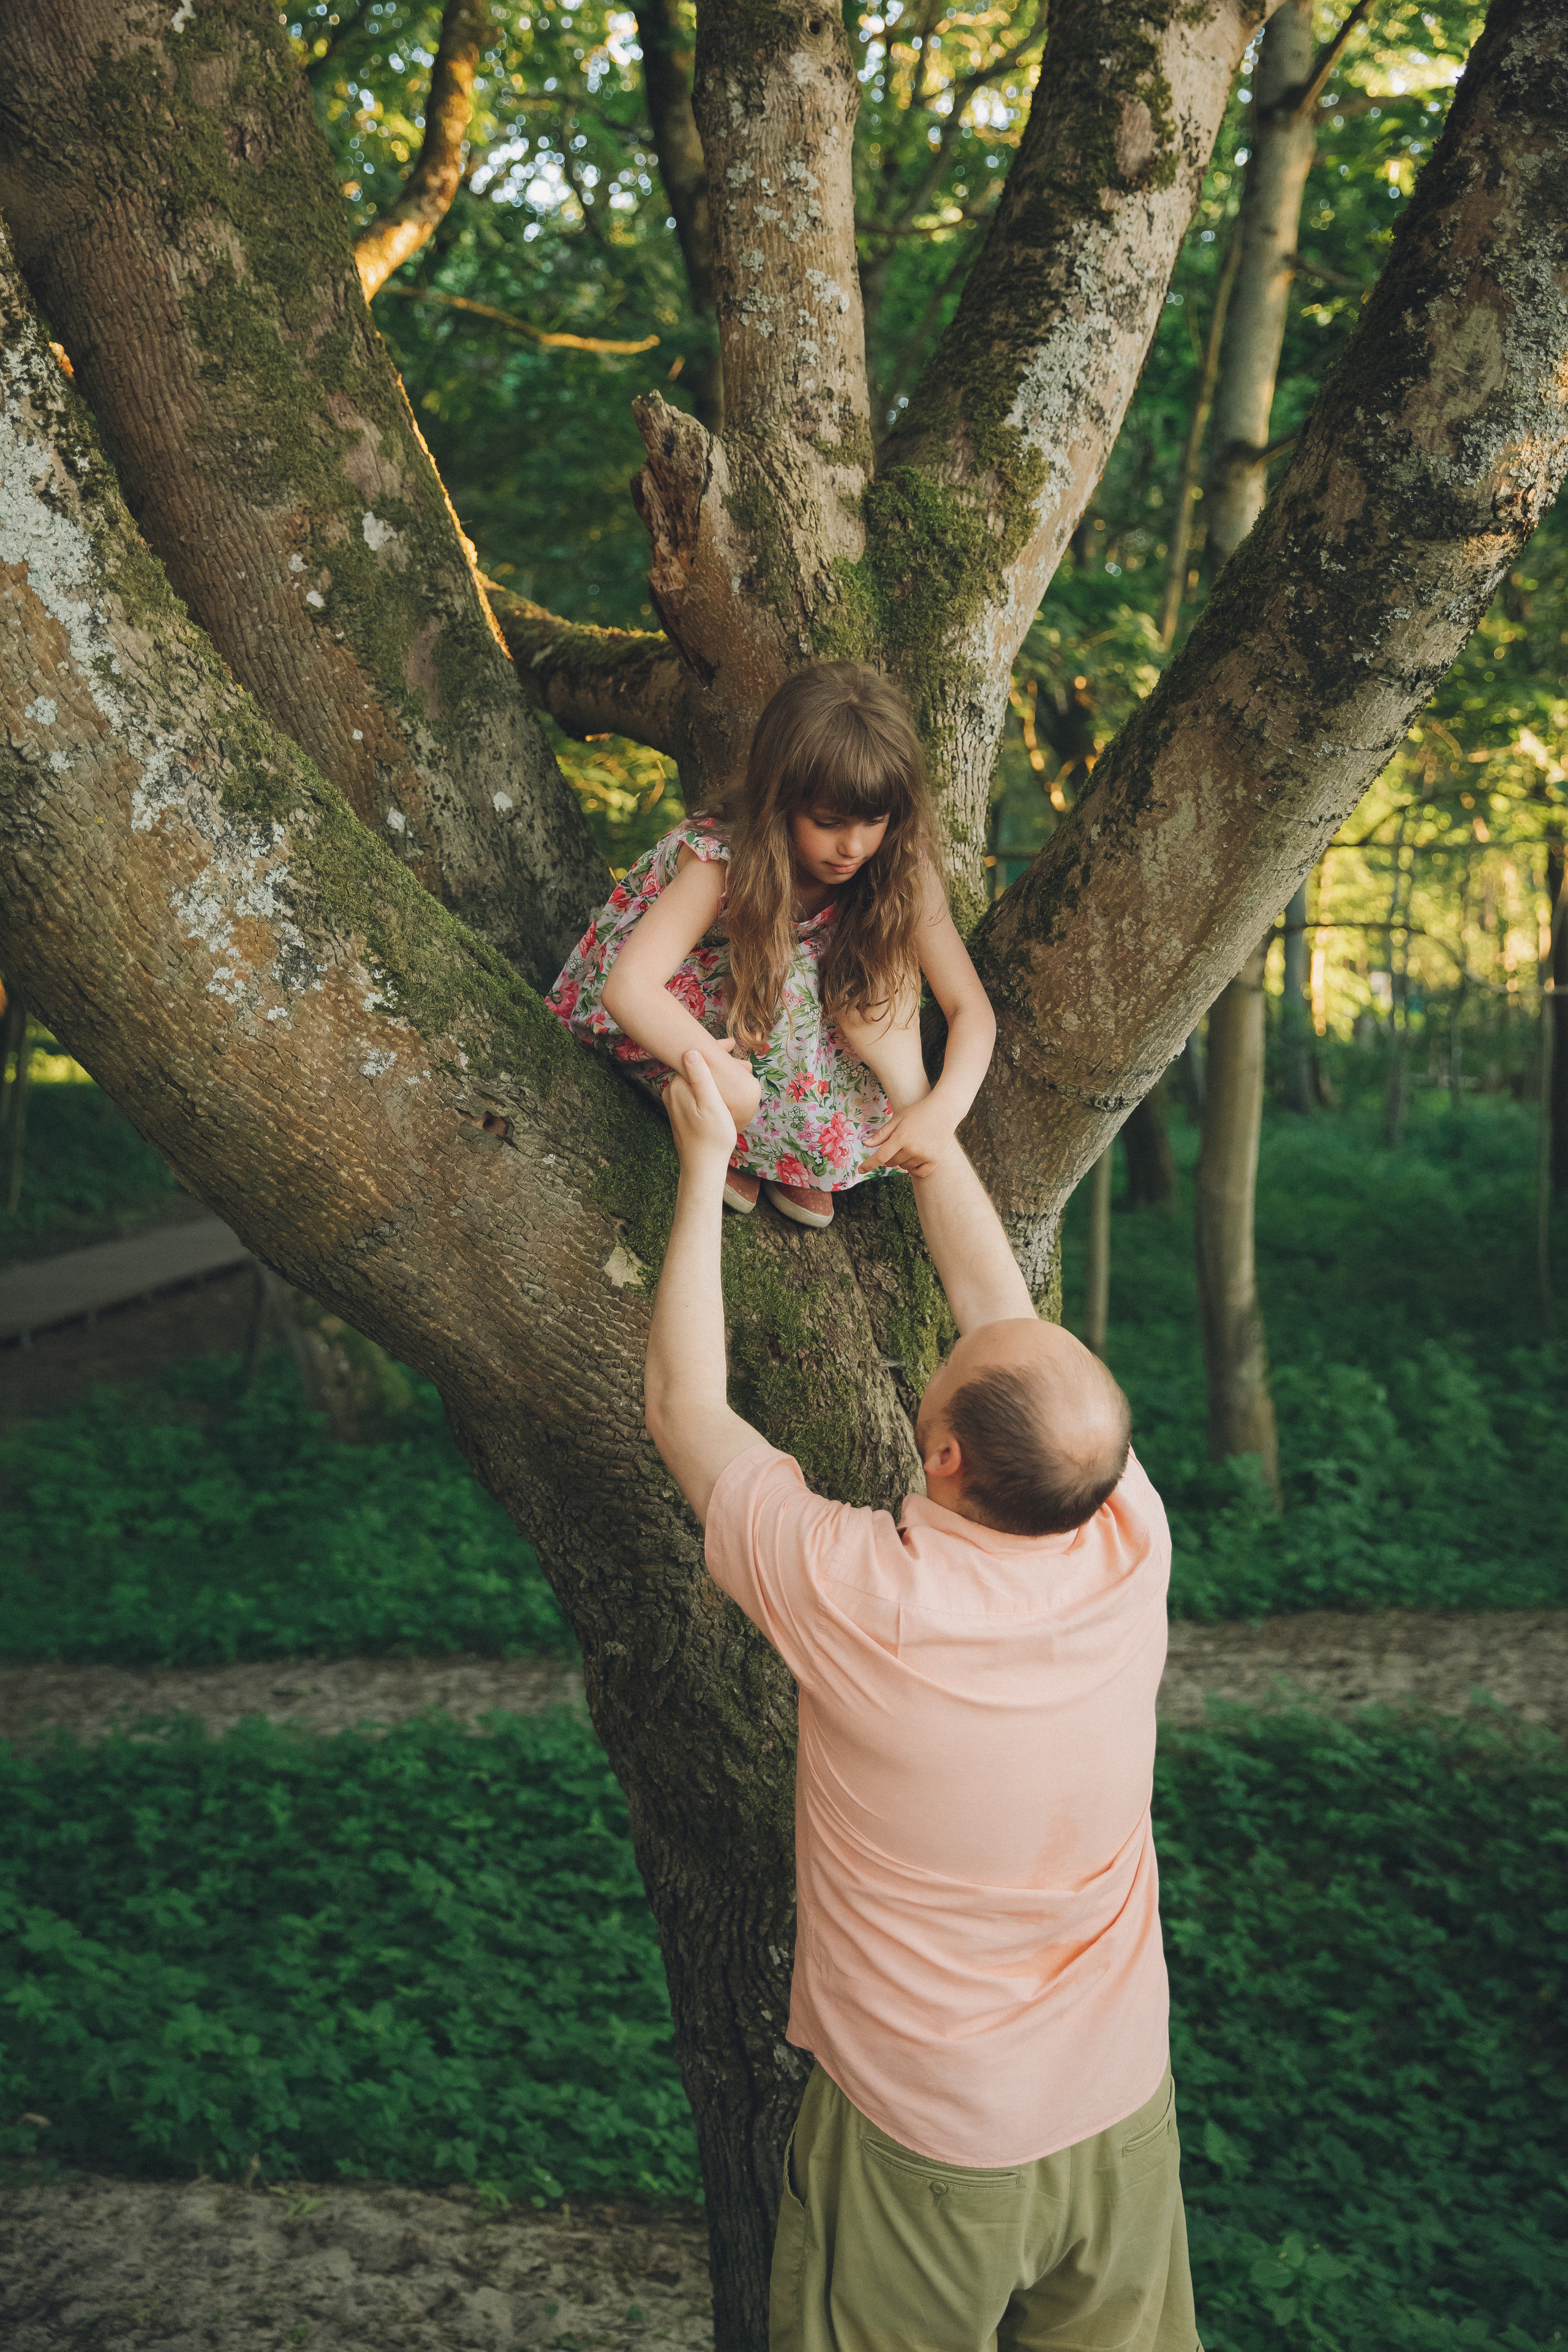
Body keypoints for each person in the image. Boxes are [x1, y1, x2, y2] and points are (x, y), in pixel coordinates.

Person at [644, 1049, 1200, 2352]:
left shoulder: (865, 1601)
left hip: (928, 2138)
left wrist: (697, 1166)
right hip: (1117, 2110)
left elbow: (684, 1406)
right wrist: (930, 1136)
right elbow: (999, 1314)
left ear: (940, 1460)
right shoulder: (1127, 1533)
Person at [546, 662, 995, 1229]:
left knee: (868, 981)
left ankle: (775, 1150)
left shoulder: (899, 867)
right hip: (677, 1012)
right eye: (829, 822)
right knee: (766, 1035)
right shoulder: (721, 862)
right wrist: (716, 1067)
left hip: (772, 1016)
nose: (852, 846)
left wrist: (942, 1111)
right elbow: (630, 988)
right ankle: (712, 1120)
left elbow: (969, 1008)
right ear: (781, 801)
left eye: (874, 821)